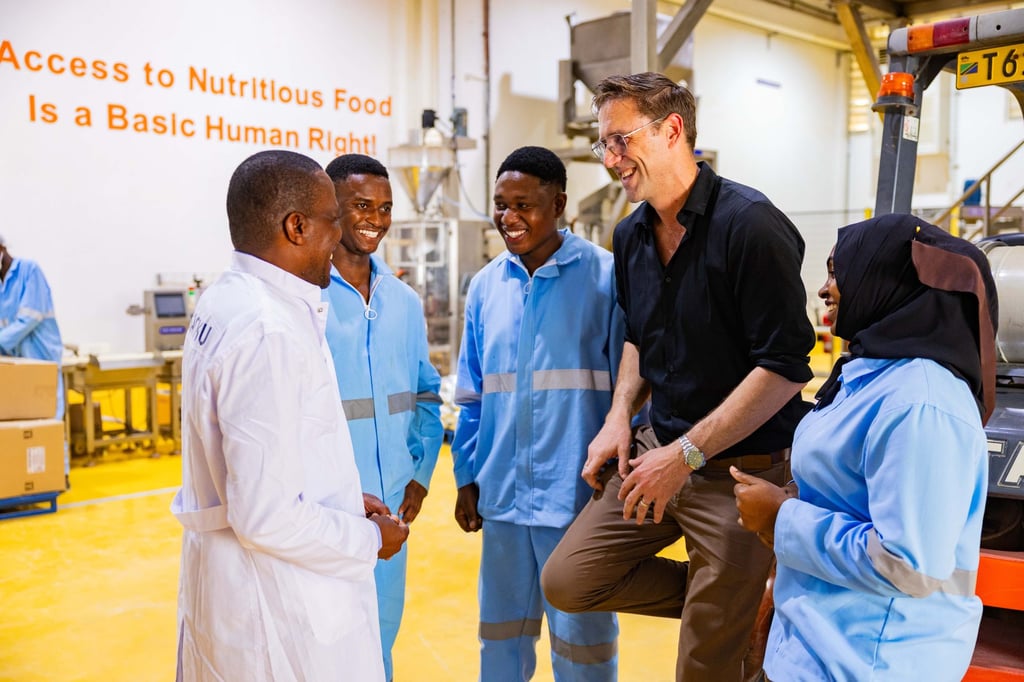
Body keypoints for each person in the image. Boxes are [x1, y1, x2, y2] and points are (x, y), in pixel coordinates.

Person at [540, 72, 815, 681]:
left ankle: (731, 596)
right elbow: (641, 334)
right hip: (655, 451)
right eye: (602, 145)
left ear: (672, 130)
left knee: (703, 668)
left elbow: (785, 368)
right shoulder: (631, 233)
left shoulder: (751, 226)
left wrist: (686, 455)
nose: (610, 159)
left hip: (739, 471)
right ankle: (739, 594)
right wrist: (618, 420)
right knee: (569, 580)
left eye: (620, 140)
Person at [171, 149, 409, 681]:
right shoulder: (267, 328)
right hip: (274, 607)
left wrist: (343, 498)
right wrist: (370, 541)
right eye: (333, 221)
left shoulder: (231, 300)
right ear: (296, 226)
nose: (341, 236)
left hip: (237, 588)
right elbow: (266, 516)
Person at [732, 213, 997, 680]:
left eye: (839, 271)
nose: (824, 288)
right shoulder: (871, 374)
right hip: (819, 645)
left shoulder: (922, 403)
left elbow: (908, 565)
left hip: (871, 661)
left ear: (884, 282)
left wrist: (782, 519)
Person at [452, 146, 624, 680]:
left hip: (578, 500)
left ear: (560, 204)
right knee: (500, 637)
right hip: (502, 498)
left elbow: (630, 393)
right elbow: (472, 395)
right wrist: (466, 476)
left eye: (523, 204)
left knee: (583, 644)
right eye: (501, 205)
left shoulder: (606, 279)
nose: (509, 218)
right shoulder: (485, 288)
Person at [323, 153, 444, 681]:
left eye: (385, 207)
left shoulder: (403, 301)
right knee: (324, 645)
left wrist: (420, 475)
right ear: (330, 208)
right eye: (361, 206)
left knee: (379, 641)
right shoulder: (308, 300)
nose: (375, 218)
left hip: (391, 509)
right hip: (326, 509)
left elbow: (424, 396)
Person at [0, 233, 65, 423]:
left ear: (2, 249)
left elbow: (28, 319)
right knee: (23, 429)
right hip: (17, 365)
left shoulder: (29, 271)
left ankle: (59, 454)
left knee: (48, 424)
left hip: (41, 360)